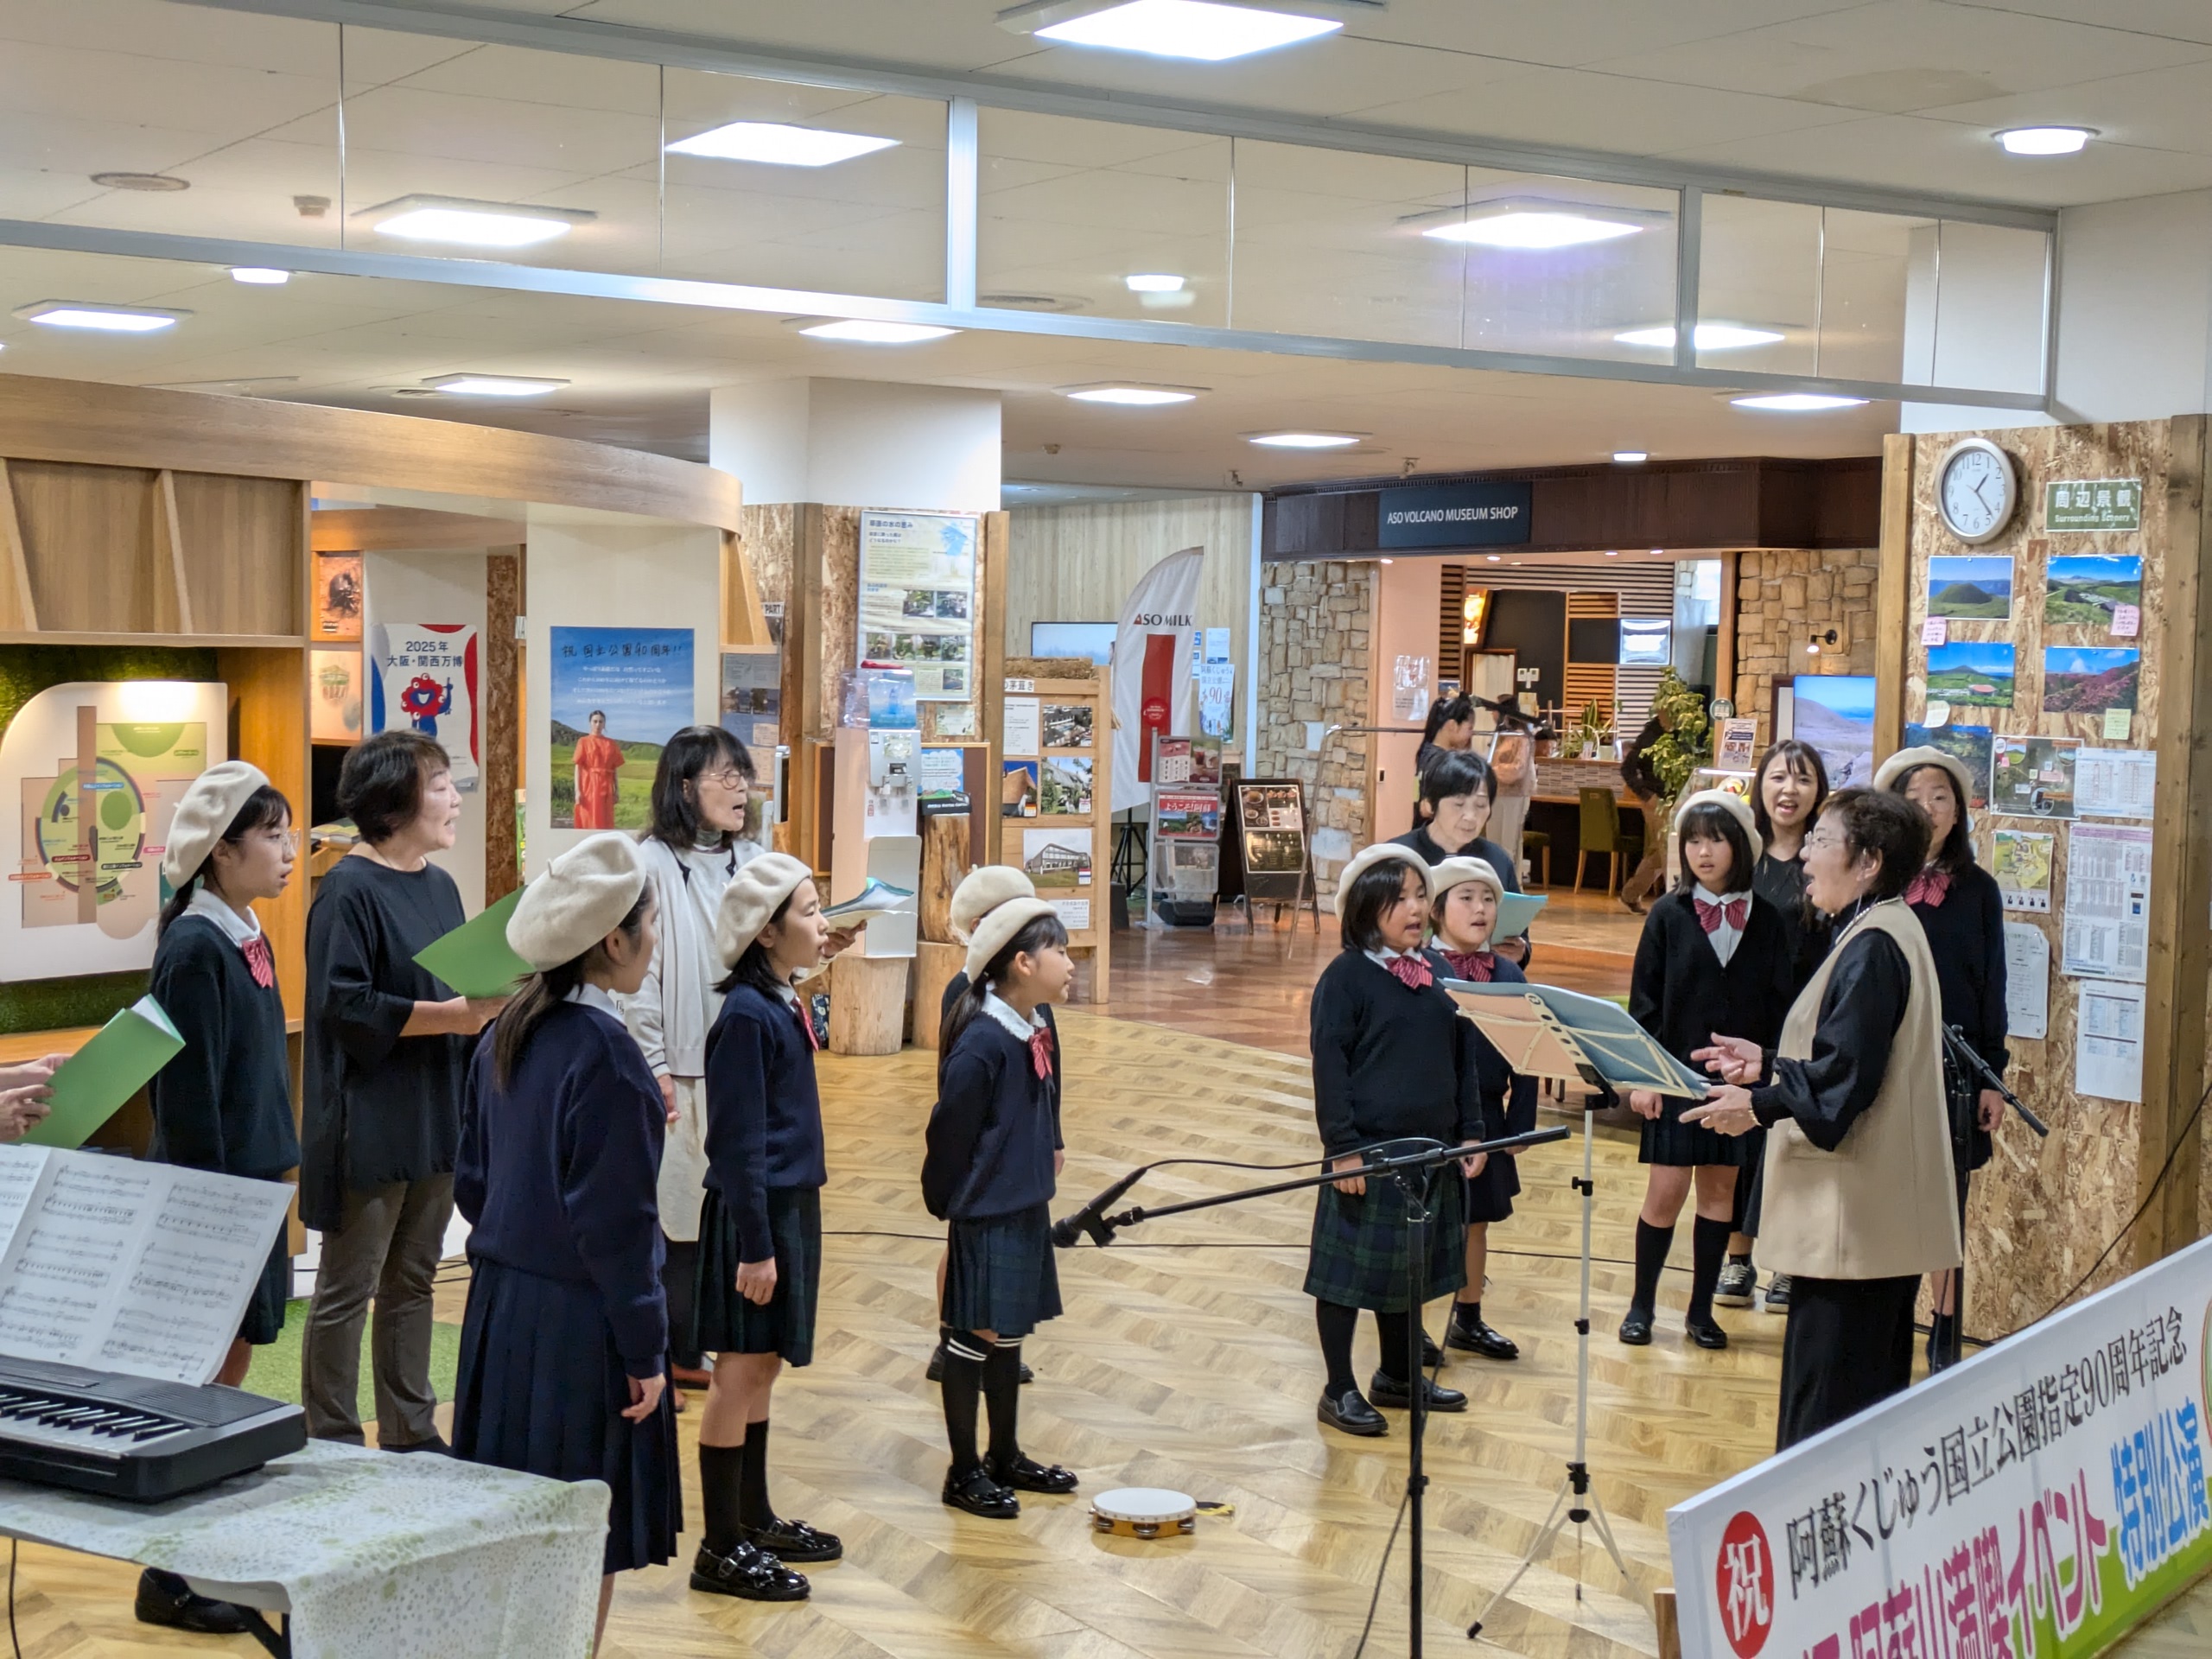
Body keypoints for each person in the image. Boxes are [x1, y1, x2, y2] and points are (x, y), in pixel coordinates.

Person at [451, 835, 678, 1655]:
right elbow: (618, 1232)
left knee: (514, 1529)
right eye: (650, 926)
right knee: (583, 1534)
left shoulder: (507, 1031)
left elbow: (473, 1183)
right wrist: (647, 1349)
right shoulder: (608, 1055)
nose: (655, 943)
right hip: (581, 1327)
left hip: (500, 1311)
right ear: (614, 940)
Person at [1684, 789, 1961, 1449]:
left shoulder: (1874, 946)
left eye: (1822, 841)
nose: (1805, 856)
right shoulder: (1886, 928)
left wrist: (1758, 1103)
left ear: (1869, 861)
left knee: (1825, 1428)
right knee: (1860, 1417)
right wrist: (1770, 1064)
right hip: (1871, 1230)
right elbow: (1851, 1055)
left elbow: (1846, 1083)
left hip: (1853, 1233)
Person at [134, 762, 301, 1639]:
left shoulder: (242, 932)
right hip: (218, 1201)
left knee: (229, 1371)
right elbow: (190, 1103)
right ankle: (168, 1572)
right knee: (200, 1380)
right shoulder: (196, 948)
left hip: (254, 1190)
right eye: (271, 835)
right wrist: (220, 1213)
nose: (289, 849)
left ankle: (195, 1552)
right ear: (221, 851)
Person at [302, 731, 501, 1449]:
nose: (455, 799)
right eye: (440, 785)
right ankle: (331, 1437)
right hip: (368, 1120)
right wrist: (455, 1016)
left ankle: (412, 1430)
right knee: (347, 1288)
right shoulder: (346, 889)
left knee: (415, 1279)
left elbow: (460, 985)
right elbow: (345, 1005)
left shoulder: (440, 885)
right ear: (393, 803)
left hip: (435, 1110)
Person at [688, 852, 842, 1602]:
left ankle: (753, 1516)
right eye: (810, 912)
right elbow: (737, 1141)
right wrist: (755, 1246)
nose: (823, 921)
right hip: (756, 1213)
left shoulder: (777, 997)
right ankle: (719, 1546)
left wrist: (819, 953)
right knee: (739, 1371)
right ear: (765, 933)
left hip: (787, 1204)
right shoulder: (746, 1016)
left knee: (766, 1365)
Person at [1306, 843, 1485, 1437]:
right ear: (1365, 908)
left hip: (1432, 1148)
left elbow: (1464, 1059)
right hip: (1369, 1152)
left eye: (1419, 895)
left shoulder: (1440, 973)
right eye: (1399, 898)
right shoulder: (1346, 978)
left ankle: (1399, 1375)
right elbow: (1330, 1067)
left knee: (1410, 1270)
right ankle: (1338, 1387)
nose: (1414, 908)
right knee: (1345, 1277)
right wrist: (1343, 1148)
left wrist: (1472, 1131)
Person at [925, 895, 1080, 1518]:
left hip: (1022, 1203)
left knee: (1009, 1331)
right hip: (988, 1210)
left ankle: (1004, 1454)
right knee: (975, 1336)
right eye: (1060, 951)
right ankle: (963, 1471)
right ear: (1022, 963)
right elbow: (949, 1133)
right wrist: (950, 1202)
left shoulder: (1029, 1026)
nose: (1070, 962)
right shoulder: (983, 1042)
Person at [1620, 790, 1792, 1351]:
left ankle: (1700, 1312)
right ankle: (1641, 1306)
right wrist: (1643, 1077)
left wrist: (1765, 1075)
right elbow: (1644, 1002)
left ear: (1741, 846)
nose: (1703, 851)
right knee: (1664, 1195)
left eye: (1716, 840)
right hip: (1672, 1078)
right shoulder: (1667, 915)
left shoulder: (1769, 920)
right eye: (1694, 840)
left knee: (1720, 1197)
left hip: (1736, 1087)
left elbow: (1779, 1005)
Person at [623, 726, 765, 1402]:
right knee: (674, 1216)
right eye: (724, 775)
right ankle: (669, 1351)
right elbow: (639, 976)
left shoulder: (755, 860)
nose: (741, 787)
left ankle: (704, 1341)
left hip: (742, 1065)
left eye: (743, 774)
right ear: (684, 787)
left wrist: (818, 947)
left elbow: (770, 960)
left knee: (730, 1212)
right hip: (678, 1068)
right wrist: (652, 1063)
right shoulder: (647, 863)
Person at [1874, 745, 2007, 1371]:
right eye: (1914, 798)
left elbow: (1991, 987)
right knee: (1892, 1196)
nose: (1927, 809)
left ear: (1957, 812)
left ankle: (1944, 1330)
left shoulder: (1979, 890)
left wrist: (1992, 1077)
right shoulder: (1876, 884)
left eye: (1940, 797)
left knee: (1946, 1204)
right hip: (1886, 1066)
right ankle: (1887, 1322)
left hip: (1956, 1072)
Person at [925, 866, 1058, 1387]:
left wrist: (1054, 1135)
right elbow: (957, 1086)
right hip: (985, 1150)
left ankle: (1001, 1343)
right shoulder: (966, 993)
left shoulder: (1035, 990)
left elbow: (1050, 1064)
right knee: (967, 1251)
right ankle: (953, 1340)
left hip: (1024, 1145)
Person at [1718, 740, 1833, 1318]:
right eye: (1779, 778)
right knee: (1742, 1140)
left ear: (1819, 792)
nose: (1790, 790)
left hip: (1806, 1022)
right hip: (1746, 1022)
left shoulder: (1828, 857)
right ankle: (1737, 1257)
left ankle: (1789, 1260)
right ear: (1759, 786)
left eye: (1803, 779)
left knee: (1792, 1138)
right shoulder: (1742, 857)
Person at [1423, 856, 1535, 1363]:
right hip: (1430, 1115)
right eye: (1466, 898)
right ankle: (1413, 1325)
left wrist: (1519, 1124)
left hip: (1487, 1115)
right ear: (1436, 909)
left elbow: (1528, 1051)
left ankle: (1468, 1317)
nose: (1480, 909)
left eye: (1488, 899)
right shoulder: (1420, 968)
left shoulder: (1507, 973)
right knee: (1425, 1221)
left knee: (1476, 1220)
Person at [1394, 750, 1529, 967]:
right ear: (1431, 804)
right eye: (1458, 804)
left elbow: (1519, 935)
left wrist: (1520, 952)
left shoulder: (1497, 859)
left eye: (1481, 805)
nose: (1470, 816)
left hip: (1484, 978)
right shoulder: (1397, 857)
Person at [1618, 704, 1673, 912]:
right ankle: (1673, 902)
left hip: (1676, 799)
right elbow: (1627, 769)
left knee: (1659, 851)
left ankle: (1630, 894)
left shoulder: (1680, 736)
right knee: (1667, 848)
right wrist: (1645, 794)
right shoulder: (1649, 737)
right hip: (1655, 800)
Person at [1482, 695, 1539, 880]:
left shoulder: (1521, 737)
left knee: (1509, 843)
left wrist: (1491, 769)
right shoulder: (1501, 735)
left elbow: (1518, 769)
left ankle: (1509, 883)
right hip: (1496, 793)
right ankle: (1494, 881)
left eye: (1494, 710)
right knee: (1493, 842)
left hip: (1515, 795)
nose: (1492, 714)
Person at [1412, 695, 1475, 796]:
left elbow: (1416, 794)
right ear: (1452, 725)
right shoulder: (1443, 761)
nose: (1471, 734)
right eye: (1470, 728)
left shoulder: (1426, 752)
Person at [574, 709, 624, 830]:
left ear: (604, 724)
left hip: (606, 786)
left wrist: (616, 790)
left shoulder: (611, 743)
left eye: (601, 722)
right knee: (589, 817)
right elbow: (578, 767)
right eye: (595, 721)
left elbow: (614, 769)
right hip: (589, 786)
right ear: (590, 723)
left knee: (606, 819)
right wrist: (577, 791)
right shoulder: (583, 741)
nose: (598, 725)